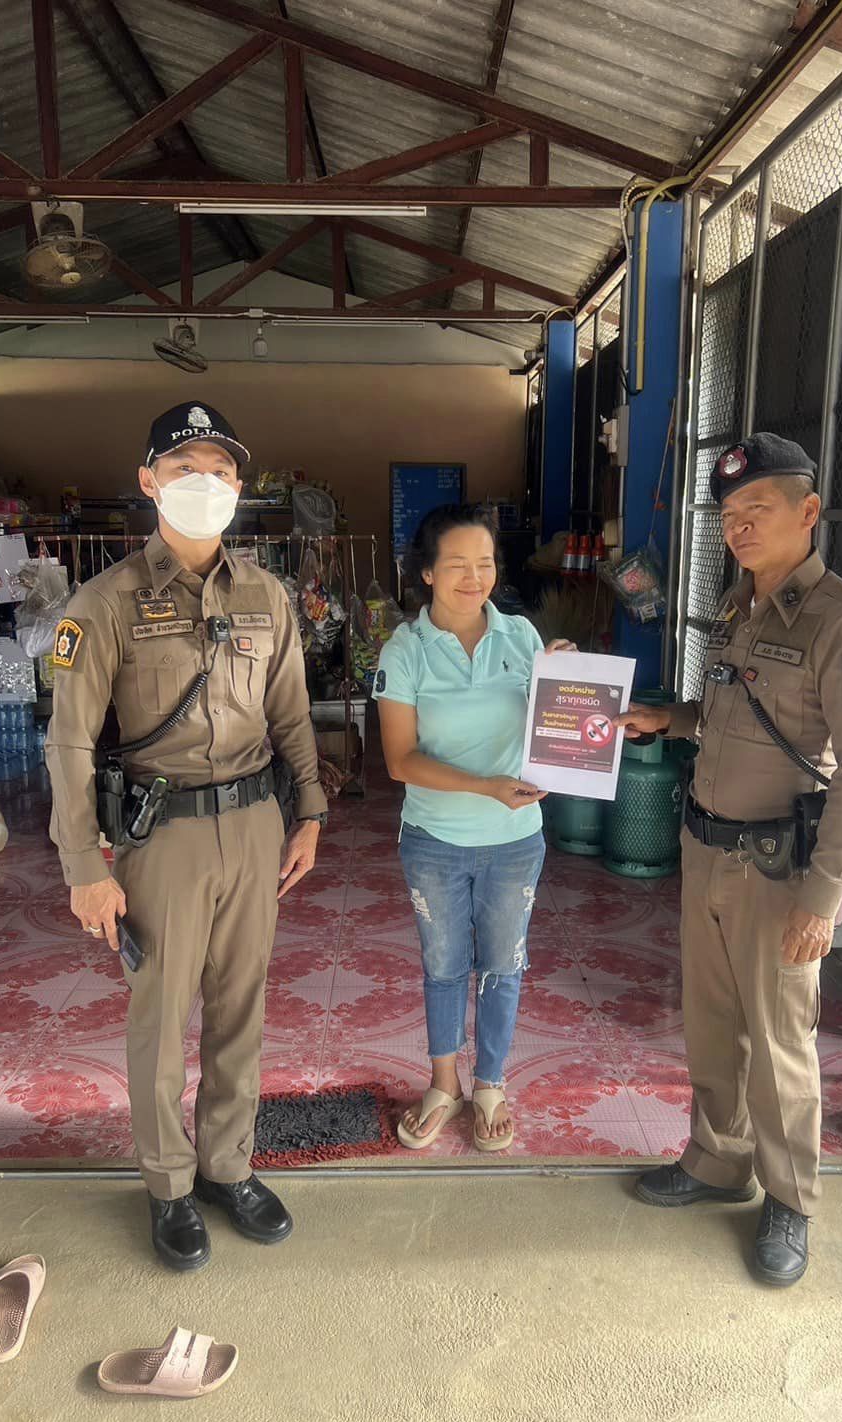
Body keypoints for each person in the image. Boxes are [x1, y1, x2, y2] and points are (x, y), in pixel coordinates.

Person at [45, 401, 328, 1272]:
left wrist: (311, 811)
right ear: (148, 481)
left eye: (220, 471)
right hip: (160, 837)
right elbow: (69, 743)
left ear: (240, 486)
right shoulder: (103, 604)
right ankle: (168, 1184)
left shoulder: (266, 595)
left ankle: (227, 1166)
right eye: (184, 469)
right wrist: (83, 865)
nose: (204, 484)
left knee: (242, 1007)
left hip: (254, 826)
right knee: (161, 1019)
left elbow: (291, 713)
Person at [619, 433, 842, 1286]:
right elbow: (729, 714)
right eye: (730, 513)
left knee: (778, 1041)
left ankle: (789, 1198)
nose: (738, 526)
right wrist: (671, 719)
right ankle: (717, 1158)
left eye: (757, 510)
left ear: (808, 512)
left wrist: (825, 895)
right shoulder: (739, 607)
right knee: (710, 1023)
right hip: (706, 851)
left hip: (780, 873)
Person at [374, 503, 570, 1152]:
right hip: (434, 839)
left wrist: (565, 678)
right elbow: (400, 760)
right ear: (427, 572)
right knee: (444, 964)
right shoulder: (405, 650)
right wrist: (487, 786)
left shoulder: (521, 636)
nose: (474, 577)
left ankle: (490, 1084)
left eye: (485, 563)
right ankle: (443, 1084)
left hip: (516, 841)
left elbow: (549, 724)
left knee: (503, 964)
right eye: (457, 564)